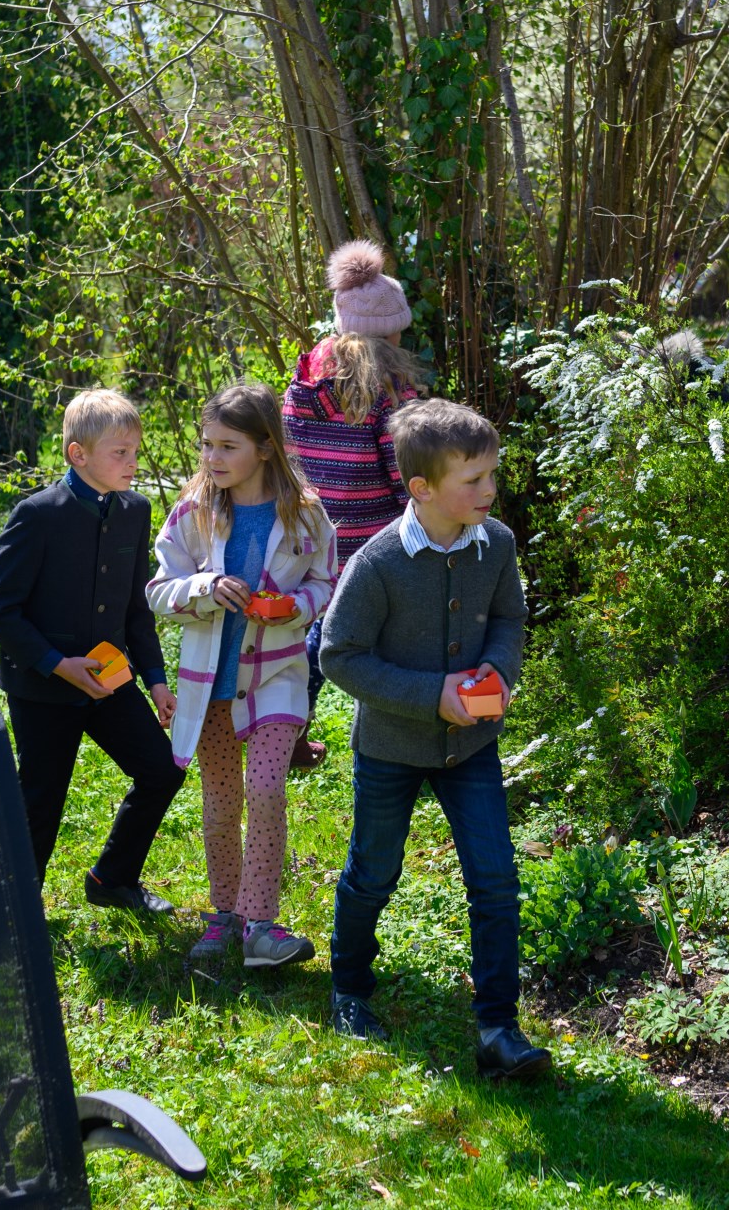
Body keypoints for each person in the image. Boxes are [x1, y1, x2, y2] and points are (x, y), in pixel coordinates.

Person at [319, 399, 549, 1079]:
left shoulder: (496, 543)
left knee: (496, 878)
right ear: (422, 489)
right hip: (389, 748)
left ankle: (498, 1027)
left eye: (491, 475)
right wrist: (431, 695)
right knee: (373, 871)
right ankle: (350, 988)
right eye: (473, 479)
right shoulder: (379, 562)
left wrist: (498, 670)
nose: (489, 490)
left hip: (471, 747)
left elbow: (510, 615)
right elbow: (338, 654)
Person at [148, 384, 337, 968]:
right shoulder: (194, 514)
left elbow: (326, 581)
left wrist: (295, 606)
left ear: (264, 447)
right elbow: (158, 591)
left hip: (277, 674)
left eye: (228, 446)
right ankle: (223, 915)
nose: (213, 458)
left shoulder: (304, 512)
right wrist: (204, 588)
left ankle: (260, 925)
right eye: (207, 445)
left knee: (266, 789)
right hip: (213, 685)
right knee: (221, 803)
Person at [0, 389, 184, 910]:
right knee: (41, 801)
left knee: (163, 769)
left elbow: (137, 609)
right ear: (78, 454)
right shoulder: (36, 516)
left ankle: (112, 879)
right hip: (43, 686)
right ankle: (16, 912)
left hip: (109, 681)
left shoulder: (135, 511)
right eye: (121, 453)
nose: (133, 462)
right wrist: (56, 663)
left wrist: (157, 679)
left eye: (136, 450)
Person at [282, 239, 422, 769]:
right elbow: (403, 468)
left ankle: (291, 734)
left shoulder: (306, 377)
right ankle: (394, 739)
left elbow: (289, 447)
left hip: (315, 531)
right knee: (384, 640)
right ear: (392, 331)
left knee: (314, 635)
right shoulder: (390, 391)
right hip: (374, 538)